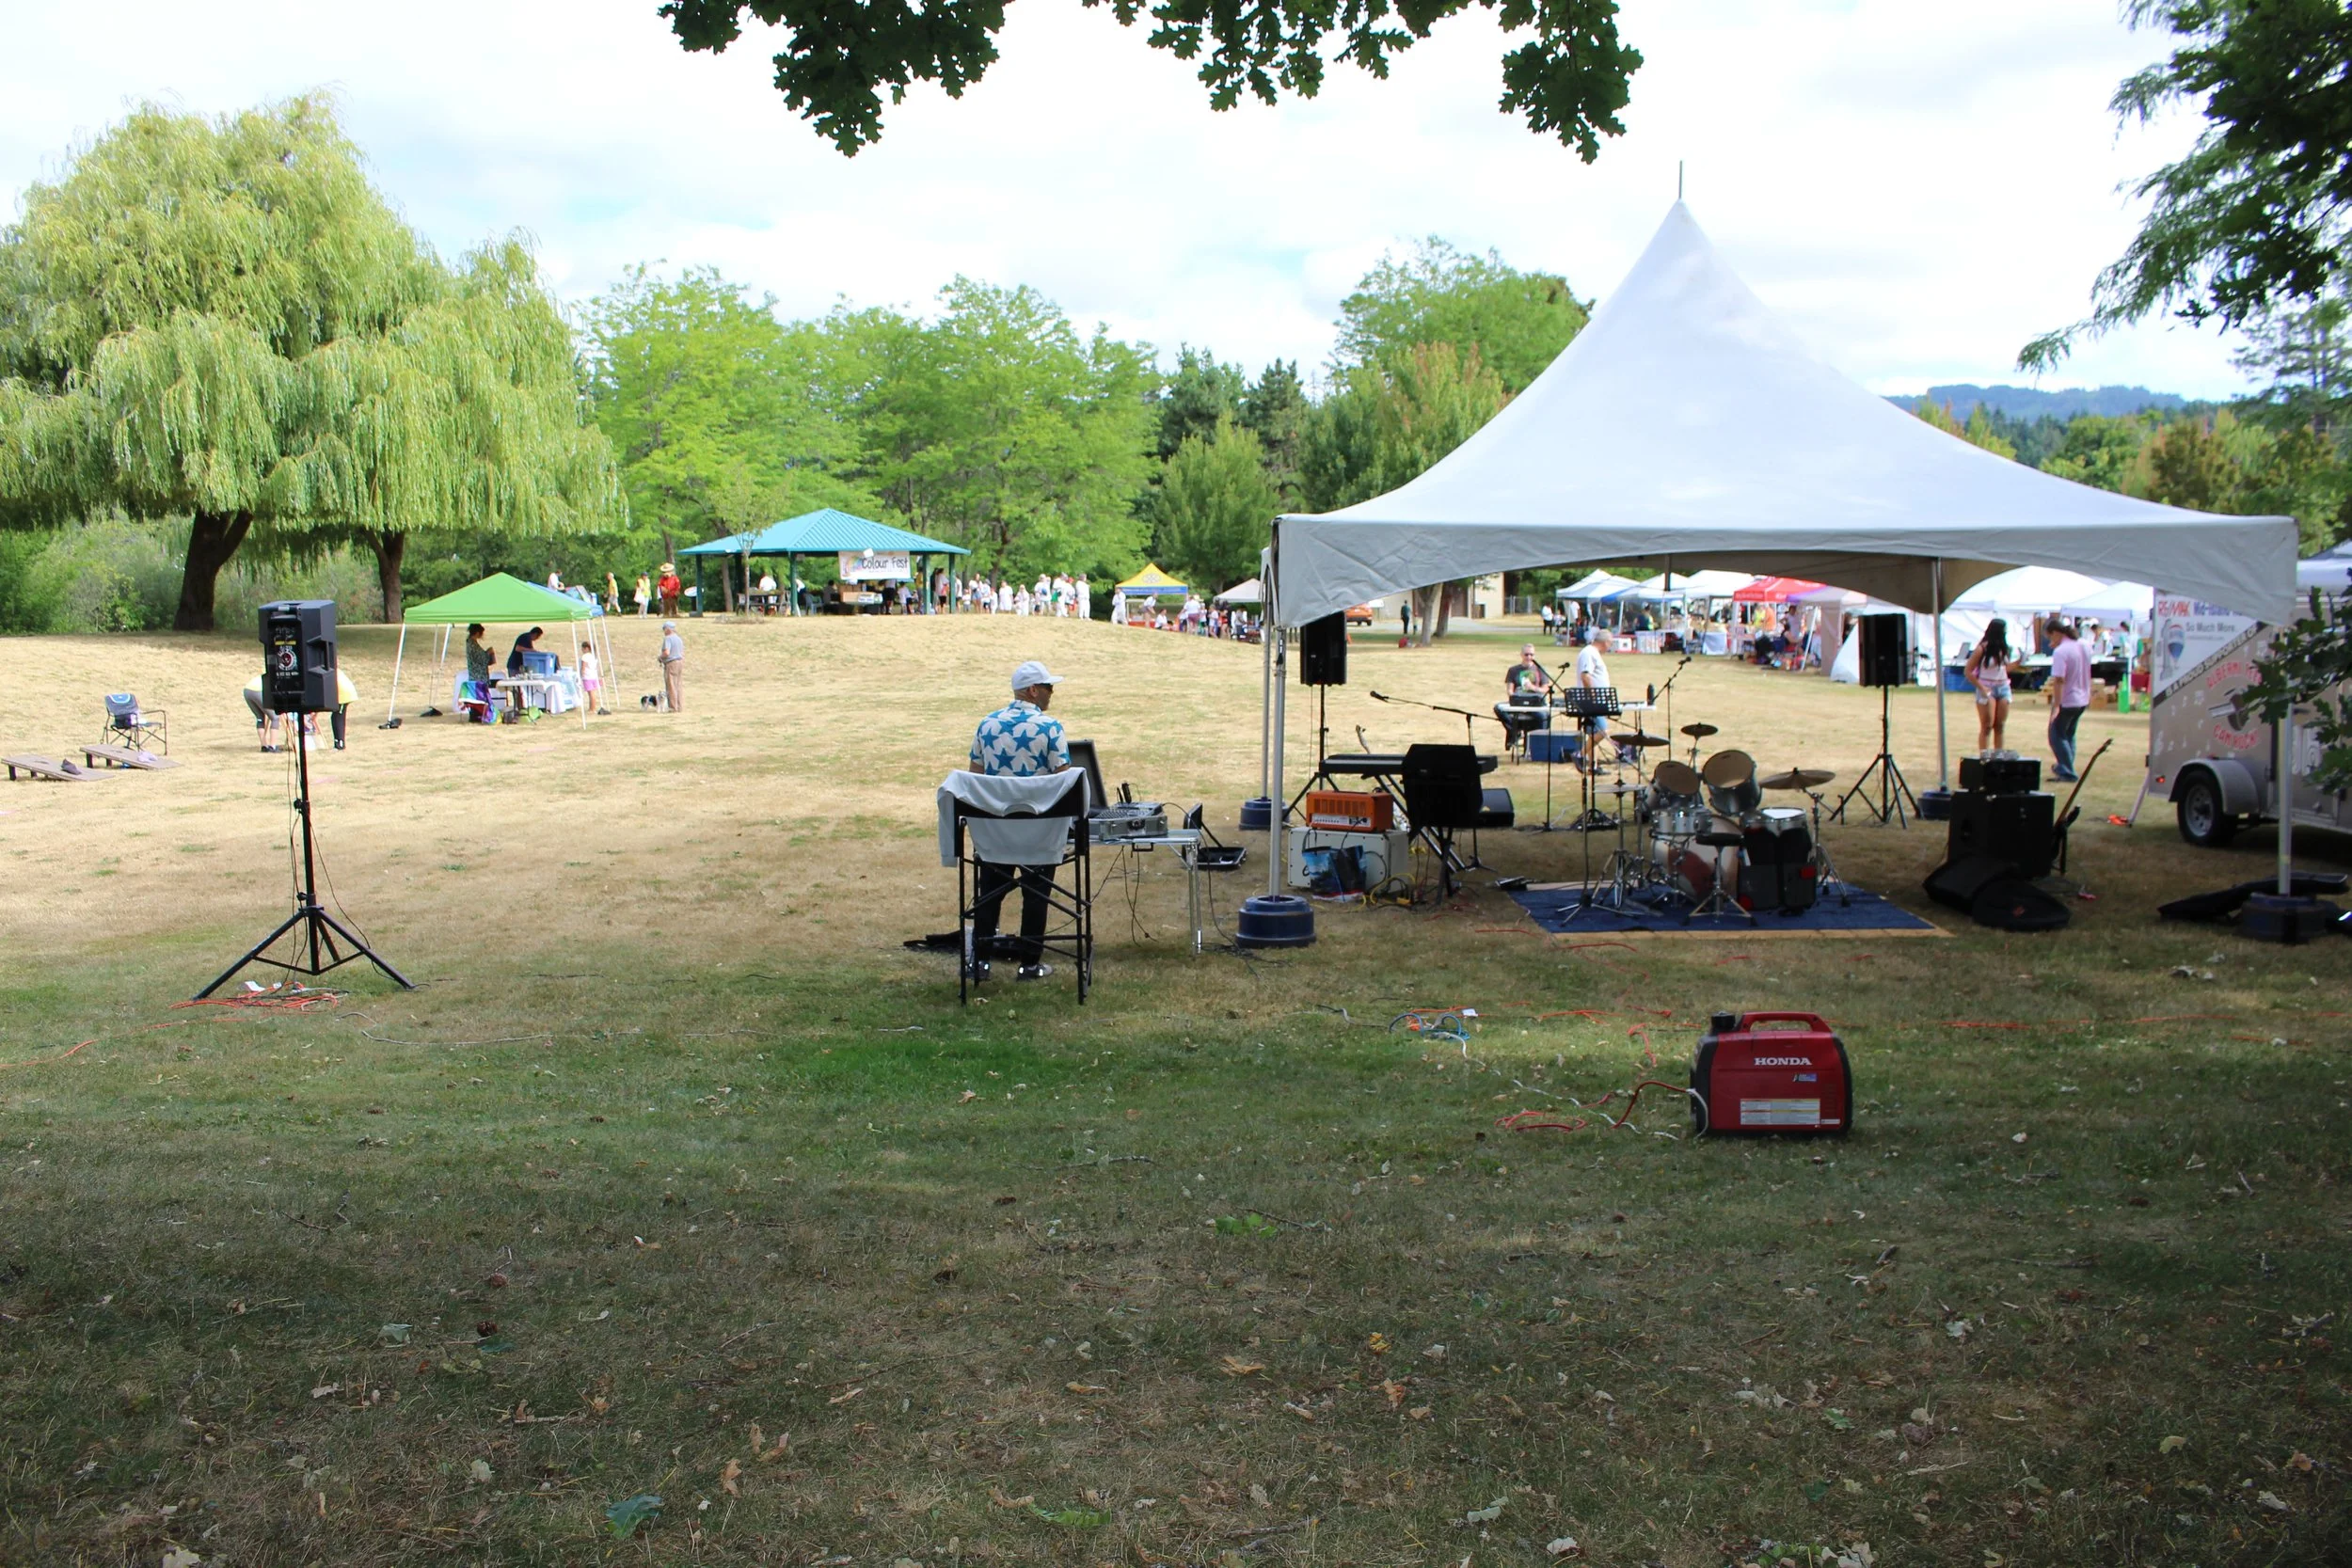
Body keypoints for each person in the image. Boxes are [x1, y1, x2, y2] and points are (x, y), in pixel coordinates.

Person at [966, 659, 1072, 983]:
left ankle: (981, 962)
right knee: (1036, 893)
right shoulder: (1051, 728)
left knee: (989, 892)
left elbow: (975, 779)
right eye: (1049, 687)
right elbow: (1063, 784)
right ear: (1034, 690)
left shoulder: (986, 725)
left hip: (995, 836)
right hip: (1038, 837)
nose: (1052, 694)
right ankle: (1029, 964)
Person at [2046, 619, 2091, 782]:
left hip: (2069, 698)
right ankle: (2066, 765)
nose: (2050, 642)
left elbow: (2059, 680)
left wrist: (2056, 705)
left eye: (2050, 637)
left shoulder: (2061, 652)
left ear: (2055, 633)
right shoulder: (2084, 644)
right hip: (2083, 696)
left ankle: (2067, 770)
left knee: (2056, 734)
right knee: (2069, 733)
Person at [1964, 618, 2014, 757]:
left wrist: (2019, 662)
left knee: (2000, 725)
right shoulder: (1982, 649)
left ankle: (1998, 756)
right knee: (1987, 725)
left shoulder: (2005, 649)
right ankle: (1984, 756)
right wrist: (1981, 687)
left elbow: (2005, 668)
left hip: (2003, 686)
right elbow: (1968, 671)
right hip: (1987, 687)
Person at [1573, 632, 1612, 771]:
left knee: (1593, 733)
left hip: (1596, 699)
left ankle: (1592, 766)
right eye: (1610, 643)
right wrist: (1593, 697)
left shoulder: (1592, 653)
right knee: (1603, 731)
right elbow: (1585, 675)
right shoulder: (1588, 653)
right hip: (1591, 701)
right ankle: (1579, 755)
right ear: (1605, 642)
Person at [657, 620, 685, 712]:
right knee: (678, 685)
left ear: (668, 629)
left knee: (671, 685)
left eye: (664, 629)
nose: (664, 631)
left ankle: (673, 707)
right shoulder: (679, 638)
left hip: (671, 663)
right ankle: (680, 706)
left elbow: (667, 652)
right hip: (680, 662)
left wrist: (660, 657)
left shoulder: (668, 638)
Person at [579, 640, 603, 716]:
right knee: (593, 693)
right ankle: (592, 707)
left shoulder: (585, 657)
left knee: (591, 693)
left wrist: (581, 674)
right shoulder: (593, 656)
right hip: (594, 676)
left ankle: (592, 708)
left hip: (587, 676)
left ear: (586, 648)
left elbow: (583, 667)